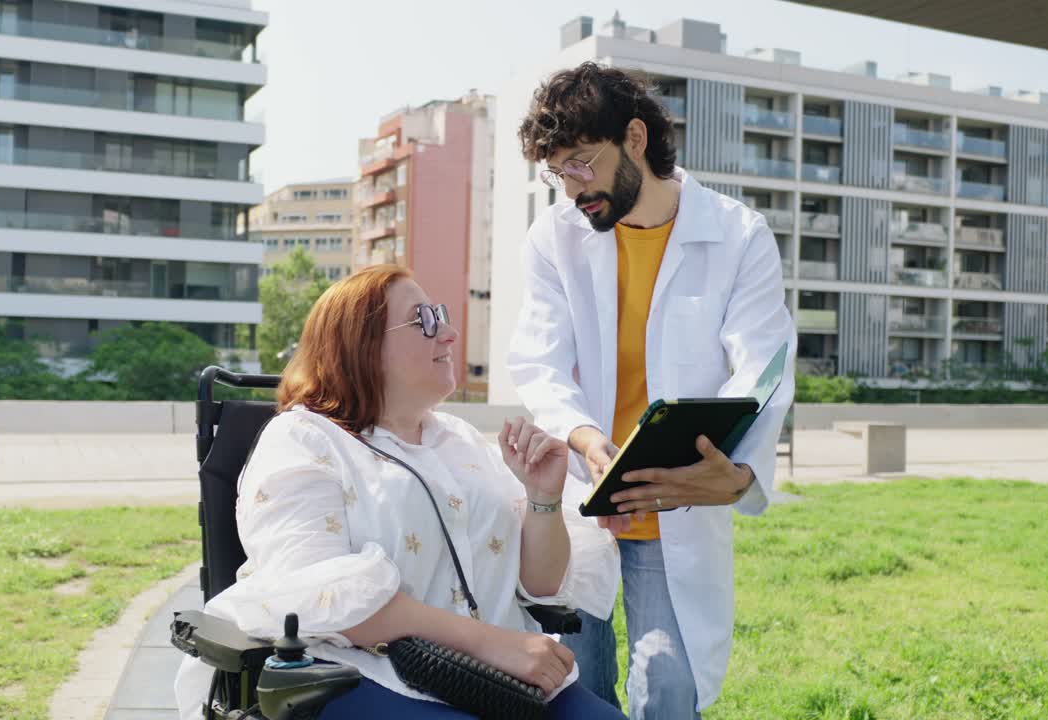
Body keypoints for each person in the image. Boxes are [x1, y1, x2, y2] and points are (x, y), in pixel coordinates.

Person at [175, 265, 626, 720]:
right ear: (361, 345)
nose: (449, 333)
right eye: (423, 319)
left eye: (440, 315)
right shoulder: (303, 440)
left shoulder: (460, 440)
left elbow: (541, 586)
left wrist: (542, 498)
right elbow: (322, 595)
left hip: (500, 678)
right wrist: (493, 644)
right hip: (363, 673)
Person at [508, 62, 797, 719]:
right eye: (557, 172)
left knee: (669, 689)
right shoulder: (554, 239)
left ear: (635, 138)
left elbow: (762, 366)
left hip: (676, 504)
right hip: (580, 500)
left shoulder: (737, 235)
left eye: (582, 163)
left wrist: (736, 475)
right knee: (573, 688)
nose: (571, 188)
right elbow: (539, 361)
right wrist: (586, 440)